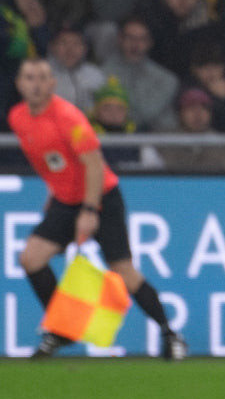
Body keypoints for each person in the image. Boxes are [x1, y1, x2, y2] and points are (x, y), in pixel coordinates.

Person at [11, 57, 187, 360]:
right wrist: (55, 192)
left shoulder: (68, 117)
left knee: (123, 271)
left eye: (42, 78)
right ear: (19, 84)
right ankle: (62, 329)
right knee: (31, 258)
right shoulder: (18, 117)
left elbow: (94, 164)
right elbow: (50, 160)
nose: (36, 84)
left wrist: (90, 210)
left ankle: (170, 335)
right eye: (29, 77)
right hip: (66, 200)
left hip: (101, 197)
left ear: (53, 84)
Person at [99, 16, 178, 131]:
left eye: (142, 39)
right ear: (119, 39)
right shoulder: (102, 73)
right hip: (117, 135)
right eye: (130, 38)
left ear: (150, 42)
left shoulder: (167, 79)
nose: (135, 44)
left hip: (159, 140)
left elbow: (147, 113)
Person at [155, 86, 225, 171]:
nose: (198, 114)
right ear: (180, 113)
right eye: (191, 108)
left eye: (204, 108)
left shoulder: (220, 144)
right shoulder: (164, 141)